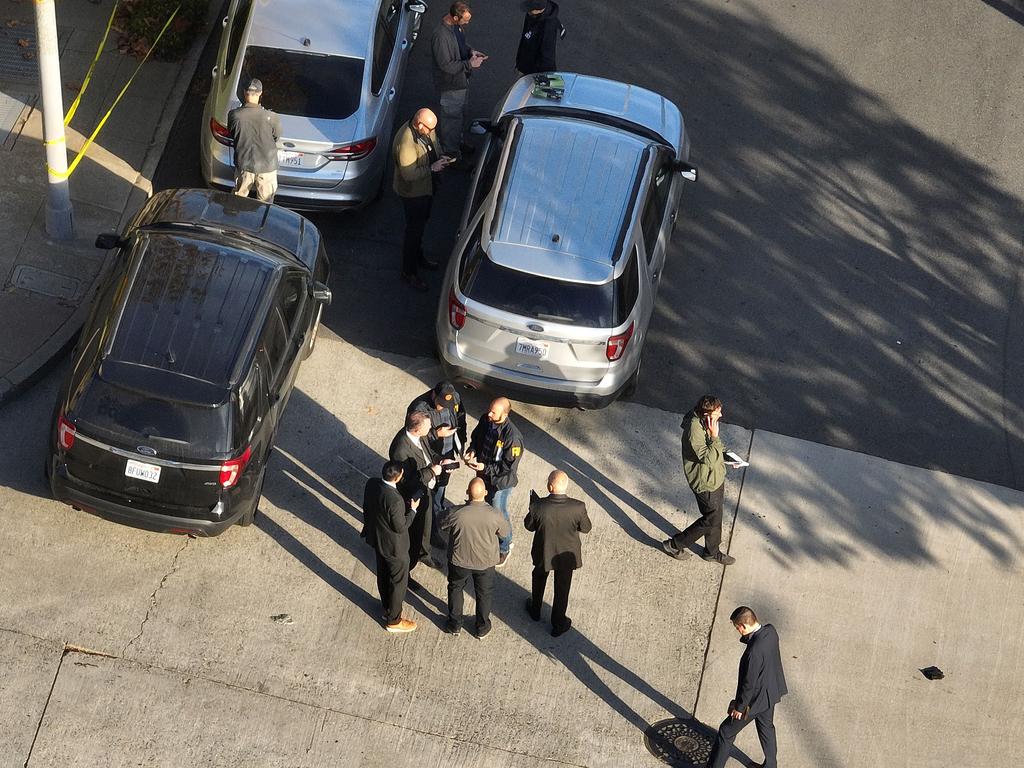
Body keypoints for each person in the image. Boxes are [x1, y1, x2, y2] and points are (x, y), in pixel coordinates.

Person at [706, 606, 788, 768]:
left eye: (737, 628)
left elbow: (748, 684)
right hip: (771, 692)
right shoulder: (771, 631)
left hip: (755, 700)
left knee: (725, 732)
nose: (737, 631)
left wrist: (740, 707)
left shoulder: (753, 652)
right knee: (766, 728)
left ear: (743, 626)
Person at [662, 395, 737, 565]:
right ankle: (674, 544)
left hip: (715, 477)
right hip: (705, 483)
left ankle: (711, 552)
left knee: (716, 516)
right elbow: (708, 458)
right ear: (706, 415)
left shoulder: (706, 421)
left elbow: (716, 450)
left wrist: (730, 457)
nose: (721, 416)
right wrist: (714, 437)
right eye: (718, 414)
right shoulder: (693, 432)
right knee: (710, 519)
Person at [523, 470, 591, 637]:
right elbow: (586, 528)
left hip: (543, 551)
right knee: (562, 588)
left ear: (550, 486)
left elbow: (529, 526)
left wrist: (532, 507)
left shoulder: (538, 506)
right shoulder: (578, 507)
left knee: (539, 578)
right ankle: (558, 623)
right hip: (566, 555)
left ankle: (535, 610)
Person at [392, 108, 452, 292]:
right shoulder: (406, 141)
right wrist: (432, 168)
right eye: (429, 129)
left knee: (421, 225)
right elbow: (408, 174)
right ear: (419, 124)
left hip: (426, 189)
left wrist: (441, 156)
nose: (432, 132)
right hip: (413, 194)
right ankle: (408, 272)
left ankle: (419, 257)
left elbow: (434, 143)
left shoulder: (425, 129)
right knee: (414, 231)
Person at [440, 478, 510, 638]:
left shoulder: (456, 513)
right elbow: (505, 533)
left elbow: (440, 523)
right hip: (485, 562)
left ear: (467, 493)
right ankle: (482, 627)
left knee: (455, 588)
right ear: (485, 493)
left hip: (459, 560)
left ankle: (454, 624)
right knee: (484, 593)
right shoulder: (495, 515)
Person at [389, 411, 454, 572]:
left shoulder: (417, 436)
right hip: (415, 495)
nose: (432, 428)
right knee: (417, 529)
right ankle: (412, 562)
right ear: (417, 430)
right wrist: (432, 472)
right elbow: (407, 481)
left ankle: (424, 551)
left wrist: (441, 460)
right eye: (428, 426)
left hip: (425, 488)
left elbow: (428, 454)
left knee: (426, 524)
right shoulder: (400, 451)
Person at [407, 381, 468, 547]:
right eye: (440, 404)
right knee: (429, 492)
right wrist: (436, 433)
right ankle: (431, 531)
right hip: (430, 457)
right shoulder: (419, 408)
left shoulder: (454, 399)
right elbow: (414, 437)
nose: (443, 407)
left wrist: (461, 444)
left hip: (447, 452)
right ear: (434, 395)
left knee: (442, 486)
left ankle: (438, 511)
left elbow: (460, 420)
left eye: (446, 404)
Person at [360, 461, 418, 633]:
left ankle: (387, 608)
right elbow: (400, 526)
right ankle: (394, 620)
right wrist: (413, 511)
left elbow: (367, 508)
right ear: (398, 476)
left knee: (383, 574)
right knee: (398, 582)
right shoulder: (395, 501)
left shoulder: (371, 483)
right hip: (395, 547)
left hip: (378, 539)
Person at [465, 397, 523, 566]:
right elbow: (476, 437)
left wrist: (484, 467)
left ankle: (505, 546)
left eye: (493, 412)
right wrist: (472, 450)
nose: (489, 414)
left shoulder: (513, 438)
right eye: (489, 410)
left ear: (505, 414)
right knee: (483, 504)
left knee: (499, 512)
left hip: (500, 482)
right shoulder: (486, 419)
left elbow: (507, 467)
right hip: (483, 473)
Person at [431, 2, 487, 161]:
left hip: (461, 81)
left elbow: (461, 44)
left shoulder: (456, 27)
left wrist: (471, 52)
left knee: (460, 116)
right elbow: (445, 65)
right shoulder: (441, 36)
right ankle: (450, 154)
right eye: (465, 20)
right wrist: (470, 64)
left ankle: (457, 144)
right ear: (455, 17)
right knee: (451, 120)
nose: (467, 23)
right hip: (451, 85)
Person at [228, 78, 281, 203]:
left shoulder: (234, 115)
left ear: (244, 92)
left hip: (244, 164)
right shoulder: (272, 117)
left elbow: (232, 133)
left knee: (238, 199)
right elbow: (276, 137)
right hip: (267, 166)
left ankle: (235, 220)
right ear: (260, 93)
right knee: (266, 204)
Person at [516, 0, 562, 76]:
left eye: (530, 9)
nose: (528, 11)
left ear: (539, 10)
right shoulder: (532, 15)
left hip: (533, 74)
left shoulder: (548, 27)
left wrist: (543, 79)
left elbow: (547, 57)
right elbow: (525, 36)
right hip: (524, 65)